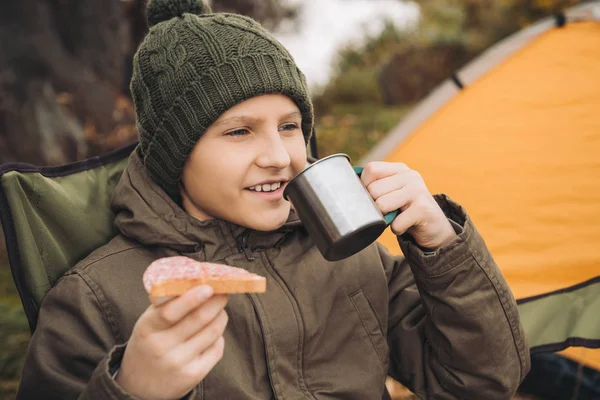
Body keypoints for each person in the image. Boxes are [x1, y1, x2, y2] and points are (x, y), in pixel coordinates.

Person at [16, 0, 530, 399]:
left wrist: (443, 247)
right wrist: (132, 390)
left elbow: (482, 382)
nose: (280, 156)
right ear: (174, 156)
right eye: (239, 132)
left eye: (290, 127)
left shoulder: (349, 256)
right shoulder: (93, 298)